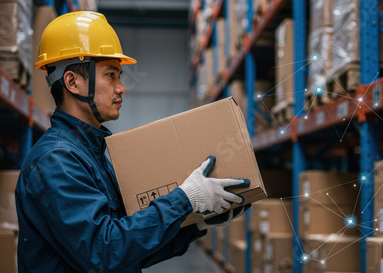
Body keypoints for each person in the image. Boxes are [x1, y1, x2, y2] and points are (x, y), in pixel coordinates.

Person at [15, 11, 250, 273]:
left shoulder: (89, 153)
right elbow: (103, 251)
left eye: (119, 77)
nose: (121, 88)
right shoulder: (56, 160)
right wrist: (185, 200)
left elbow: (128, 252)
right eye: (110, 75)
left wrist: (197, 224)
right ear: (73, 82)